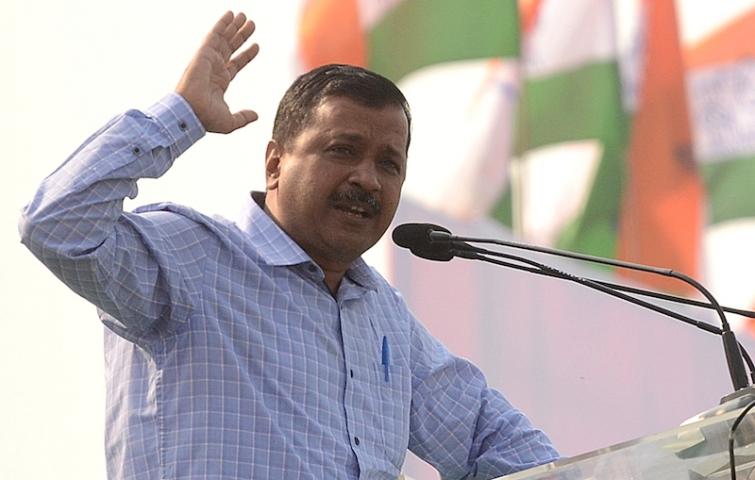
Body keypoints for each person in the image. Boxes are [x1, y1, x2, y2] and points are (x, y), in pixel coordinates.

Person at [19, 11, 558, 480]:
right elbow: (56, 224)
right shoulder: (192, 256)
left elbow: (491, 439)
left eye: (388, 164)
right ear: (275, 163)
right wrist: (181, 115)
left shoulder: (382, 314)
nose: (368, 179)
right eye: (343, 150)